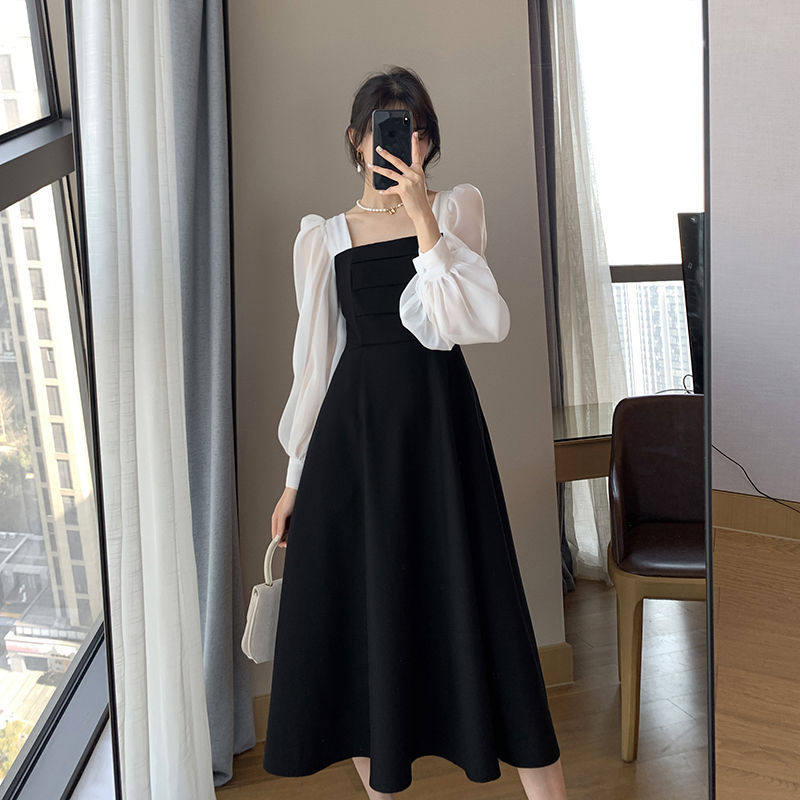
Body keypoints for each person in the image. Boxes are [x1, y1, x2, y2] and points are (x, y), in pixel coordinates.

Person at [262, 66, 568, 800]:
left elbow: (475, 323)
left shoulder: (456, 212)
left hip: (441, 440)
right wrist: (295, 478)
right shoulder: (323, 239)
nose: (408, 145)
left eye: (418, 131)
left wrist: (423, 220)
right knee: (366, 629)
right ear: (356, 140)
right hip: (354, 450)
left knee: (486, 614)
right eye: (389, 131)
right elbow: (316, 364)